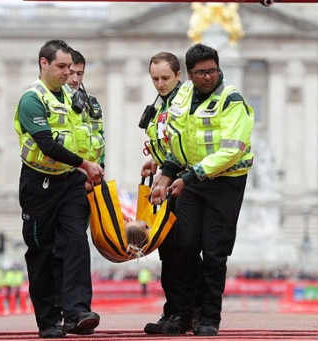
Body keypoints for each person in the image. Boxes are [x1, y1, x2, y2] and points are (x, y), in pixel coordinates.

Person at [150, 43, 254, 336]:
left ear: (219, 69)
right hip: (191, 181)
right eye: (200, 73)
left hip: (224, 182)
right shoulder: (182, 95)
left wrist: (190, 176)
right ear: (190, 74)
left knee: (214, 252)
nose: (207, 77)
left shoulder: (231, 99)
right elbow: (177, 141)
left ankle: (209, 318)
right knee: (183, 247)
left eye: (212, 71)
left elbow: (231, 151)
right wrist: (166, 176)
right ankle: (182, 315)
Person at [14, 39, 104, 339]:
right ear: (44, 64)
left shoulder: (73, 98)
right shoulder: (32, 99)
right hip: (38, 185)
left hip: (72, 184)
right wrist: (85, 164)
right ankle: (48, 320)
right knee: (42, 252)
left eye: (71, 67)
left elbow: (88, 135)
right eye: (62, 67)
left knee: (76, 242)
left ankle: (78, 311)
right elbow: (47, 144)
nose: (69, 73)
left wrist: (94, 165)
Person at [139, 52, 204, 335]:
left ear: (179, 75)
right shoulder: (164, 101)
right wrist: (155, 159)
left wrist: (164, 175)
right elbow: (167, 141)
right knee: (168, 249)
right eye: (155, 79)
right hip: (170, 179)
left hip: (185, 182)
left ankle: (186, 311)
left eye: (165, 78)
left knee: (182, 249)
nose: (160, 84)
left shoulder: (185, 100)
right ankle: (175, 309)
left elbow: (182, 145)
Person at [51, 48, 105, 335]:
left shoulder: (90, 103)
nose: (74, 79)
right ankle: (55, 311)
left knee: (75, 244)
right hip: (47, 181)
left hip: (79, 183)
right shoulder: (46, 98)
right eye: (70, 72)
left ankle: (77, 310)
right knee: (52, 249)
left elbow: (99, 140)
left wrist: (96, 171)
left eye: (79, 74)